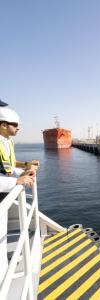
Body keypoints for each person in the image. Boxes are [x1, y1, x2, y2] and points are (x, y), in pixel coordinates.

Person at [0, 105, 39, 283]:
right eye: (15, 124)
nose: (18, 128)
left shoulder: (6, 141)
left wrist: (24, 168)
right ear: (3, 125)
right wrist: (16, 181)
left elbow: (6, 167)